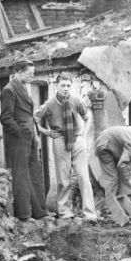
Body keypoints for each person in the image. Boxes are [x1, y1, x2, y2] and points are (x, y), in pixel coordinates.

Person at [35, 73, 98, 221]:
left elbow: (88, 116)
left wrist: (83, 133)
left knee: (83, 176)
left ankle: (89, 213)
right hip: (60, 140)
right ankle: (65, 212)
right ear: (57, 86)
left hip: (77, 140)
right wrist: (47, 132)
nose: (65, 89)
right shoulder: (50, 103)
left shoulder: (76, 100)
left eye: (68, 85)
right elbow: (36, 119)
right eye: (62, 85)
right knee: (64, 179)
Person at [0, 59, 49, 221]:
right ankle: (23, 214)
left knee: (35, 172)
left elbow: (27, 113)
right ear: (20, 71)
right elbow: (5, 118)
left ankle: (40, 212)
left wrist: (33, 131)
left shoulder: (23, 87)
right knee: (21, 175)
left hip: (30, 136)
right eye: (30, 73)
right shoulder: (9, 90)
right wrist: (20, 132)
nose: (32, 76)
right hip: (19, 140)